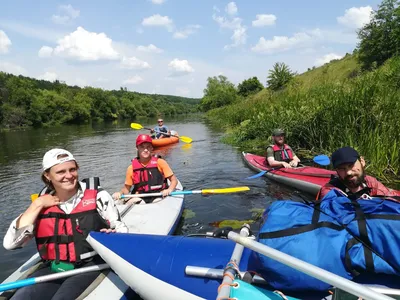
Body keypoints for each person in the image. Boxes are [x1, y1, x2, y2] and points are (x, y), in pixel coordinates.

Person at [3, 148, 128, 300]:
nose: (69, 176)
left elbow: (121, 230)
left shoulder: (98, 195)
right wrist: (37, 205)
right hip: (54, 266)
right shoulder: (42, 203)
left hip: (91, 265)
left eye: (72, 169)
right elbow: (11, 244)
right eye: (61, 172)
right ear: (47, 176)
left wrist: (114, 236)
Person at [112, 134, 178, 204]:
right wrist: (120, 192)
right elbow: (126, 189)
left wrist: (169, 190)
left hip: (159, 195)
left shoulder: (160, 162)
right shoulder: (131, 168)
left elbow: (174, 181)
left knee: (156, 201)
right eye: (142, 147)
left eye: (148, 147)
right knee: (134, 201)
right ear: (137, 148)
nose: (145, 150)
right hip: (140, 196)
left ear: (151, 148)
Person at [317, 146, 400, 200]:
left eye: (351, 165)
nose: (348, 172)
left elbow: (390, 199)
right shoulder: (330, 191)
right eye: (342, 169)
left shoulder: (370, 182)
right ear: (337, 171)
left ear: (362, 162)